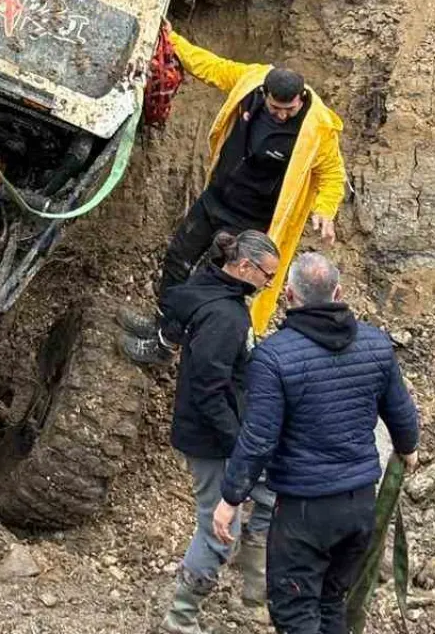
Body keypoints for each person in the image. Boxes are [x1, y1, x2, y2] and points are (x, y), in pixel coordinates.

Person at [211, 253, 420, 634]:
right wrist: (408, 448)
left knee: (295, 613)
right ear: (339, 292)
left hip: (304, 512)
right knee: (330, 603)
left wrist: (230, 499)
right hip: (359, 506)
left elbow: (258, 440)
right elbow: (401, 413)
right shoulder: (376, 344)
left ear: (289, 295)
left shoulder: (274, 356)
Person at [122, 32, 345, 361]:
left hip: (249, 223)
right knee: (176, 260)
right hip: (215, 200)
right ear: (264, 95)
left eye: (289, 109)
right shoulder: (251, 82)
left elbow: (332, 173)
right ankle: (162, 324)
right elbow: (211, 67)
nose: (282, 115)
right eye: (275, 108)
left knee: (206, 285)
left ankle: (166, 345)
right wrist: (172, 39)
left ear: (300, 99)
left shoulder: (317, 127)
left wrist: (325, 208)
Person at [158, 227, 282, 634]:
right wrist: (239, 445)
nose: (269, 284)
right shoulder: (225, 316)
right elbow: (208, 389)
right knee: (218, 526)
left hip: (228, 431)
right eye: (267, 275)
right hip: (213, 440)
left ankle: (254, 594)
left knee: (266, 498)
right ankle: (181, 617)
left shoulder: (217, 292)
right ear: (244, 266)